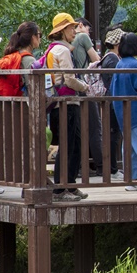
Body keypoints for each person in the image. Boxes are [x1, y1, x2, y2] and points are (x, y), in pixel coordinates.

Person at [45, 12, 90, 201]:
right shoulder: (62, 51)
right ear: (63, 30)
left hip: (58, 103)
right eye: (71, 27)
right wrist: (85, 86)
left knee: (73, 144)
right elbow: (69, 79)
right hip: (66, 104)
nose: (75, 30)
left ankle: (69, 185)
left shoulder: (52, 49)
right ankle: (61, 189)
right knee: (69, 146)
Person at [109, 32, 137, 191]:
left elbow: (112, 88)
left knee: (129, 147)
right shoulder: (135, 65)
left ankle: (132, 179)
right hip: (136, 112)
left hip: (121, 112)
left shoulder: (120, 64)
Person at [71, 17, 104, 175]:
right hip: (85, 86)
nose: (89, 33)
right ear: (80, 25)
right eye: (88, 29)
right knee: (94, 127)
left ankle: (79, 166)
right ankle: (102, 166)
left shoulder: (67, 42)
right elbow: (97, 60)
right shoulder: (82, 37)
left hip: (73, 87)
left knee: (79, 128)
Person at [99, 26, 125, 175]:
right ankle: (112, 169)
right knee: (113, 135)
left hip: (109, 101)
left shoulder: (108, 57)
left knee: (113, 134)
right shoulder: (113, 59)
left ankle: (112, 168)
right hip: (113, 101)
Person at [0, 21, 42, 96]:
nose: (40, 38)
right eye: (39, 35)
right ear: (33, 37)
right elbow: (34, 88)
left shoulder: (14, 55)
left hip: (7, 100)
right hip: (22, 101)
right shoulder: (29, 60)